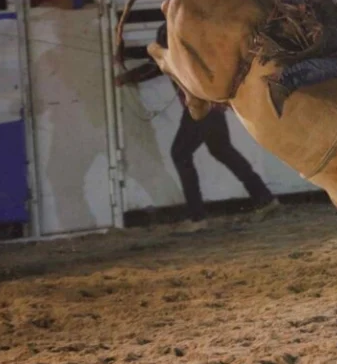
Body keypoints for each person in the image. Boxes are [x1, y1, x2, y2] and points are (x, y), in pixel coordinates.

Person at [116, 24, 281, 233]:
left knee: (181, 154)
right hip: (211, 107)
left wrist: (126, 76)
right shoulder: (187, 39)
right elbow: (155, 64)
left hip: (200, 109)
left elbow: (154, 66)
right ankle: (264, 199)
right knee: (222, 150)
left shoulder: (173, 42)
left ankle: (197, 217)